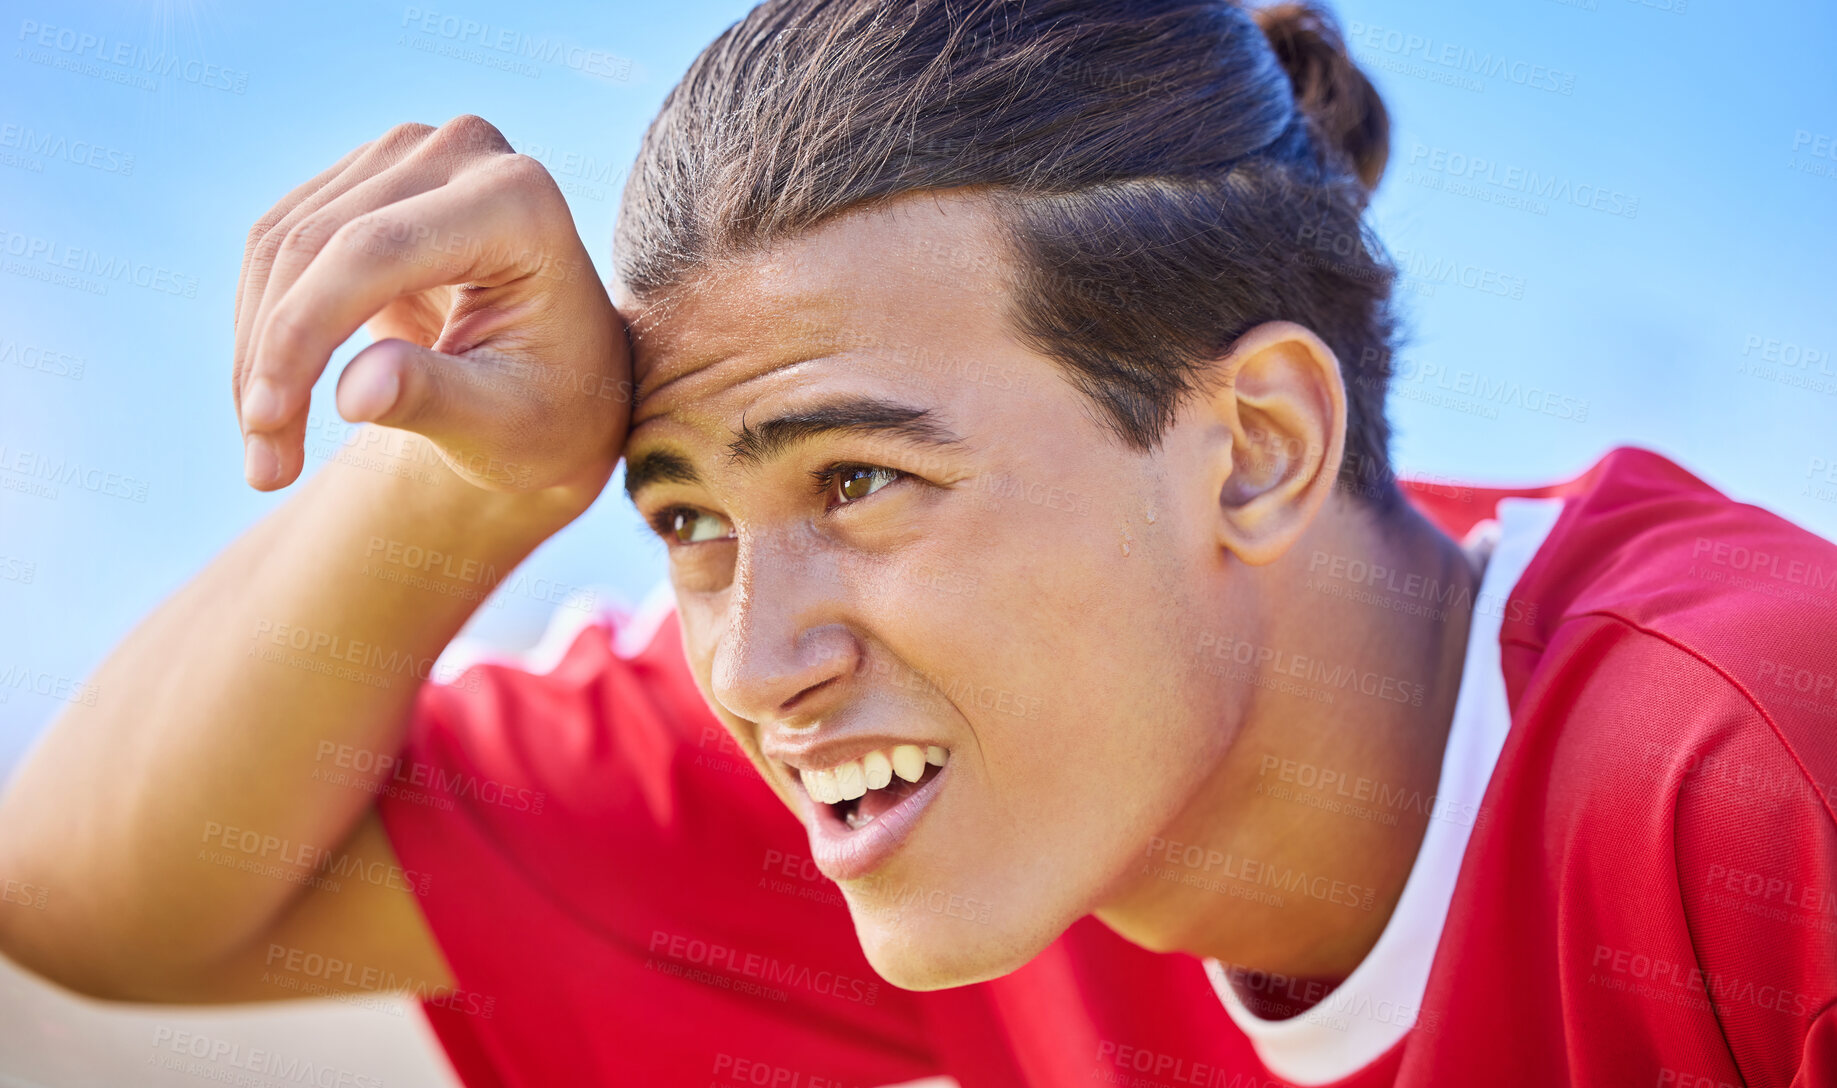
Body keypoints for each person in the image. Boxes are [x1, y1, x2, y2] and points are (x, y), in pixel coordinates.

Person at [3, 1, 1834, 1085]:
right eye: (689, 517)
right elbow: (107, 904)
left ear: (1256, 449)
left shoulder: (1753, 772)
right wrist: (462, 479)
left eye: (860, 481)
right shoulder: (935, 757)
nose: (753, 661)